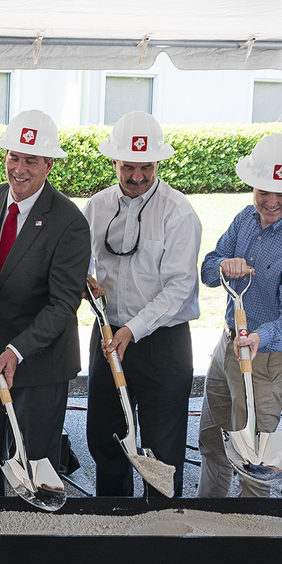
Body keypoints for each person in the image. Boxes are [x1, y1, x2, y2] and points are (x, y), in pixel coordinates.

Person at [0, 110, 90, 498]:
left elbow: (63, 303)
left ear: (48, 164)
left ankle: (36, 541)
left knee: (36, 467)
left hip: (39, 360)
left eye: (30, 160)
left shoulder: (69, 222)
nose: (19, 169)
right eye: (13, 157)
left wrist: (17, 351)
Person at [196, 133, 282, 497]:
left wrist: (258, 338)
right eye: (263, 190)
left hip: (268, 360)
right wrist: (225, 265)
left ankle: (250, 534)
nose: (270, 202)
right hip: (228, 347)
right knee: (213, 441)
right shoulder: (245, 220)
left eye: (281, 194)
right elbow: (207, 270)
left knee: (255, 460)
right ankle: (211, 514)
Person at [82, 111, 200, 497]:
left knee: (163, 449)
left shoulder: (178, 212)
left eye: (146, 168)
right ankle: (112, 526)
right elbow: (81, 264)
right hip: (107, 335)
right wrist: (85, 285)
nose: (137, 177)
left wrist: (133, 330)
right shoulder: (96, 207)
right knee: (107, 437)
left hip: (162, 343)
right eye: (128, 167)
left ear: (158, 163)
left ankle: (160, 531)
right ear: (113, 161)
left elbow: (179, 287)